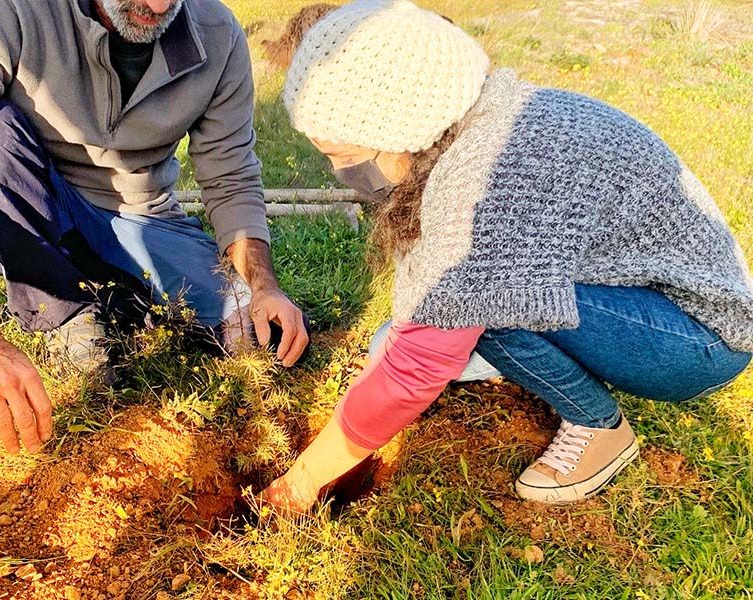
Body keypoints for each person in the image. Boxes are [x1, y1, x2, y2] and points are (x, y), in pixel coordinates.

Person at [262, 0, 753, 509]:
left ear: (397, 129)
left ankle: (600, 429)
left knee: (483, 306)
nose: (341, 171)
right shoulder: (481, 116)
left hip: (700, 340)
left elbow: (416, 365)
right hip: (663, 298)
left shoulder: (486, 182)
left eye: (343, 156)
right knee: (452, 313)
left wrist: (300, 485)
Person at [0, 0, 309, 456]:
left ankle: (116, 299)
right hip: (37, 205)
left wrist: (263, 286)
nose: (158, 6)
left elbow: (231, 177)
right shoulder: (5, 11)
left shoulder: (216, 33)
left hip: (144, 220)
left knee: (261, 338)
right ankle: (69, 318)